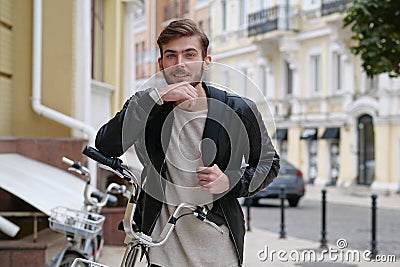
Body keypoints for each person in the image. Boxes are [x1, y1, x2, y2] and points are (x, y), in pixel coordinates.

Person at [95, 19, 280, 267]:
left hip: (218, 246)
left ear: (206, 62)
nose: (180, 64)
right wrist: (152, 98)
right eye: (171, 56)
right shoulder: (148, 105)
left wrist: (230, 180)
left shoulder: (238, 109)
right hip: (162, 245)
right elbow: (106, 145)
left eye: (189, 54)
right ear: (161, 64)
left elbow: (268, 163)